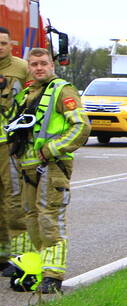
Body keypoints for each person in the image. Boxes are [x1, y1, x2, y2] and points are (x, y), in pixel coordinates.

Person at [10, 48, 90, 293]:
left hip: (52, 166)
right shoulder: (26, 94)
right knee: (31, 219)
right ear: (29, 68)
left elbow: (81, 126)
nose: (39, 68)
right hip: (27, 169)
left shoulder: (63, 91)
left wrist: (52, 149)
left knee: (50, 220)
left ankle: (53, 276)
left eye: (43, 63)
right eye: (34, 64)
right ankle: (36, 270)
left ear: (52, 65)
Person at [0, 27, 30, 270]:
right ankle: (2, 254)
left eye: (3, 43)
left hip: (8, 144)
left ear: (11, 45)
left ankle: (18, 257)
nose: (0, 47)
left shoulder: (22, 68)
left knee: (13, 199)